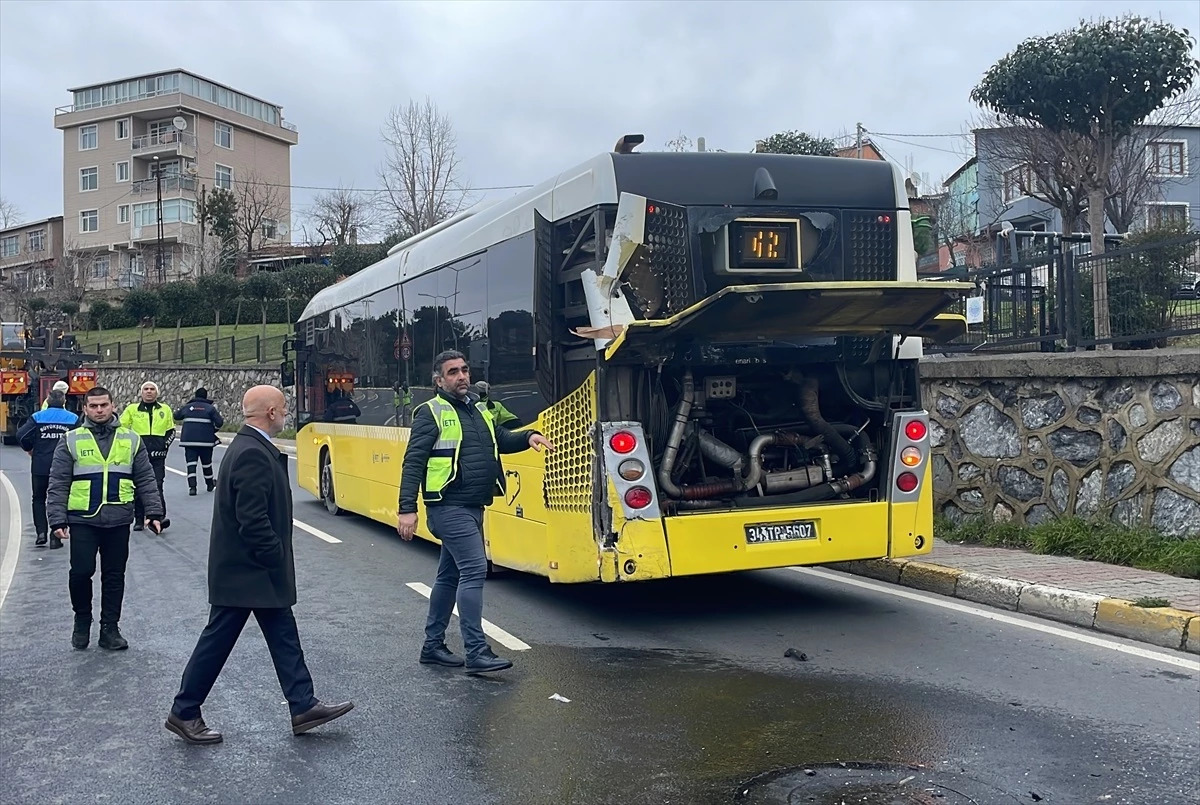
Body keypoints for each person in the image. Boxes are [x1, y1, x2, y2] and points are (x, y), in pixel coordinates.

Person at [165, 385, 354, 745]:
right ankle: (184, 710)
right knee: (218, 641)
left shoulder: (251, 447)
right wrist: (274, 556)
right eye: (283, 407)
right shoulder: (252, 452)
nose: (285, 413)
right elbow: (251, 519)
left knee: (283, 634)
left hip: (248, 571)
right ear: (271, 413)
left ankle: (303, 705)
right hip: (248, 571)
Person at [397, 350, 553, 674]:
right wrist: (406, 510)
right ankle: (476, 650)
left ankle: (432, 645)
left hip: (473, 505)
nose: (462, 376)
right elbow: (413, 462)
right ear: (439, 380)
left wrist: (529, 437)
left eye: (465, 370)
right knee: (474, 570)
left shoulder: (479, 408)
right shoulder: (431, 412)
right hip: (448, 506)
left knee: (449, 575)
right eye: (453, 372)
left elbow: (501, 440)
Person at [45, 386, 164, 651]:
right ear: (85, 409)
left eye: (104, 405)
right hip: (82, 519)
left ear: (112, 406)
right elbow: (58, 482)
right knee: (80, 572)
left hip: (119, 518)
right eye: (94, 406)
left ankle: (109, 628)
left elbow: (145, 478)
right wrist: (57, 519)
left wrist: (154, 512)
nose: (99, 410)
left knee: (114, 576)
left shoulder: (131, 439)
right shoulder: (71, 439)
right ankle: (82, 620)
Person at [16, 389, 80, 548]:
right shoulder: (73, 419)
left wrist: (30, 449)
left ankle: (41, 533)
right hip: (65, 468)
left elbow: (21, 435)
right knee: (63, 499)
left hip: (41, 466)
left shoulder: (37, 417)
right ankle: (55, 534)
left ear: (48, 401)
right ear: (64, 402)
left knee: (38, 498)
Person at [119, 381, 174, 532]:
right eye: (146, 389)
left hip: (158, 457)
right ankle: (139, 518)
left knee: (157, 486)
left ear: (157, 392)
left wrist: (164, 447)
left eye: (152, 389)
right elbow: (121, 429)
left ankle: (159, 517)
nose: (149, 392)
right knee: (138, 487)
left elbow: (171, 431)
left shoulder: (165, 409)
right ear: (141, 392)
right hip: (138, 456)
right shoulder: (132, 409)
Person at [174, 387, 224, 496]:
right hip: (206, 442)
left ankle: (192, 488)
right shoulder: (210, 408)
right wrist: (213, 429)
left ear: (195, 395)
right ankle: (210, 484)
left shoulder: (187, 407)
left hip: (189, 441)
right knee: (207, 464)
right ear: (206, 396)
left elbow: (176, 416)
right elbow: (219, 422)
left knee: (191, 464)